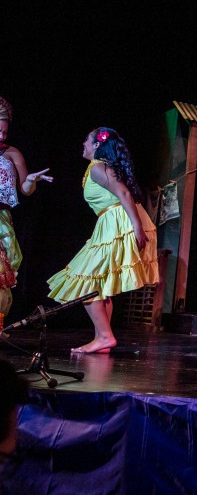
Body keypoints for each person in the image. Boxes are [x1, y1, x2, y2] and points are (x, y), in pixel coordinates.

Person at [47, 128, 160, 354]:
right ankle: (102, 337)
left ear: (97, 145)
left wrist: (136, 227)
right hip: (113, 223)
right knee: (99, 285)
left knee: (85, 280)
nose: (83, 143)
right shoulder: (98, 167)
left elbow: (124, 194)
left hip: (120, 223)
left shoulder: (98, 167)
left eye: (87, 140)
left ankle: (105, 336)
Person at [0, 96, 53, 318]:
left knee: (2, 271)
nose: (2, 136)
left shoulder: (12, 153)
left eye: (4, 132)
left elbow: (25, 189)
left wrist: (30, 180)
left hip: (2, 218)